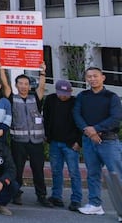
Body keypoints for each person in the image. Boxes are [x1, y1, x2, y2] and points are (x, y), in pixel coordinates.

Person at [0, 62, 52, 207]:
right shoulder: (12, 98)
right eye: (20, 83)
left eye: (26, 84)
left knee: (38, 170)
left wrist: (42, 72)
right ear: (16, 85)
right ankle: (16, 194)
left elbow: (41, 87)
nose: (23, 86)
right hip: (18, 141)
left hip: (36, 142)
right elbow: (5, 86)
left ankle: (41, 196)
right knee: (17, 170)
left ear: (29, 86)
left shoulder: (35, 98)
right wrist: (2, 69)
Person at [73, 67, 122, 216]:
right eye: (89, 77)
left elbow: (116, 118)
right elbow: (76, 114)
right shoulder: (83, 96)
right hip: (89, 141)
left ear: (103, 77)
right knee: (93, 174)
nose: (92, 79)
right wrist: (88, 130)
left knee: (117, 175)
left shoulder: (111, 97)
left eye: (95, 76)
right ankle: (95, 204)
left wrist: (95, 129)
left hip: (109, 142)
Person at [43, 79, 83, 211]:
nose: (63, 96)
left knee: (74, 172)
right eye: (60, 93)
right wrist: (47, 135)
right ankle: (56, 196)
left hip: (71, 144)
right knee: (56, 171)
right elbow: (46, 117)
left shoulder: (76, 102)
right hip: (54, 141)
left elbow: (82, 123)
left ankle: (76, 199)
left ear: (71, 92)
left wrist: (79, 142)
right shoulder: (50, 100)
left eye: (66, 93)